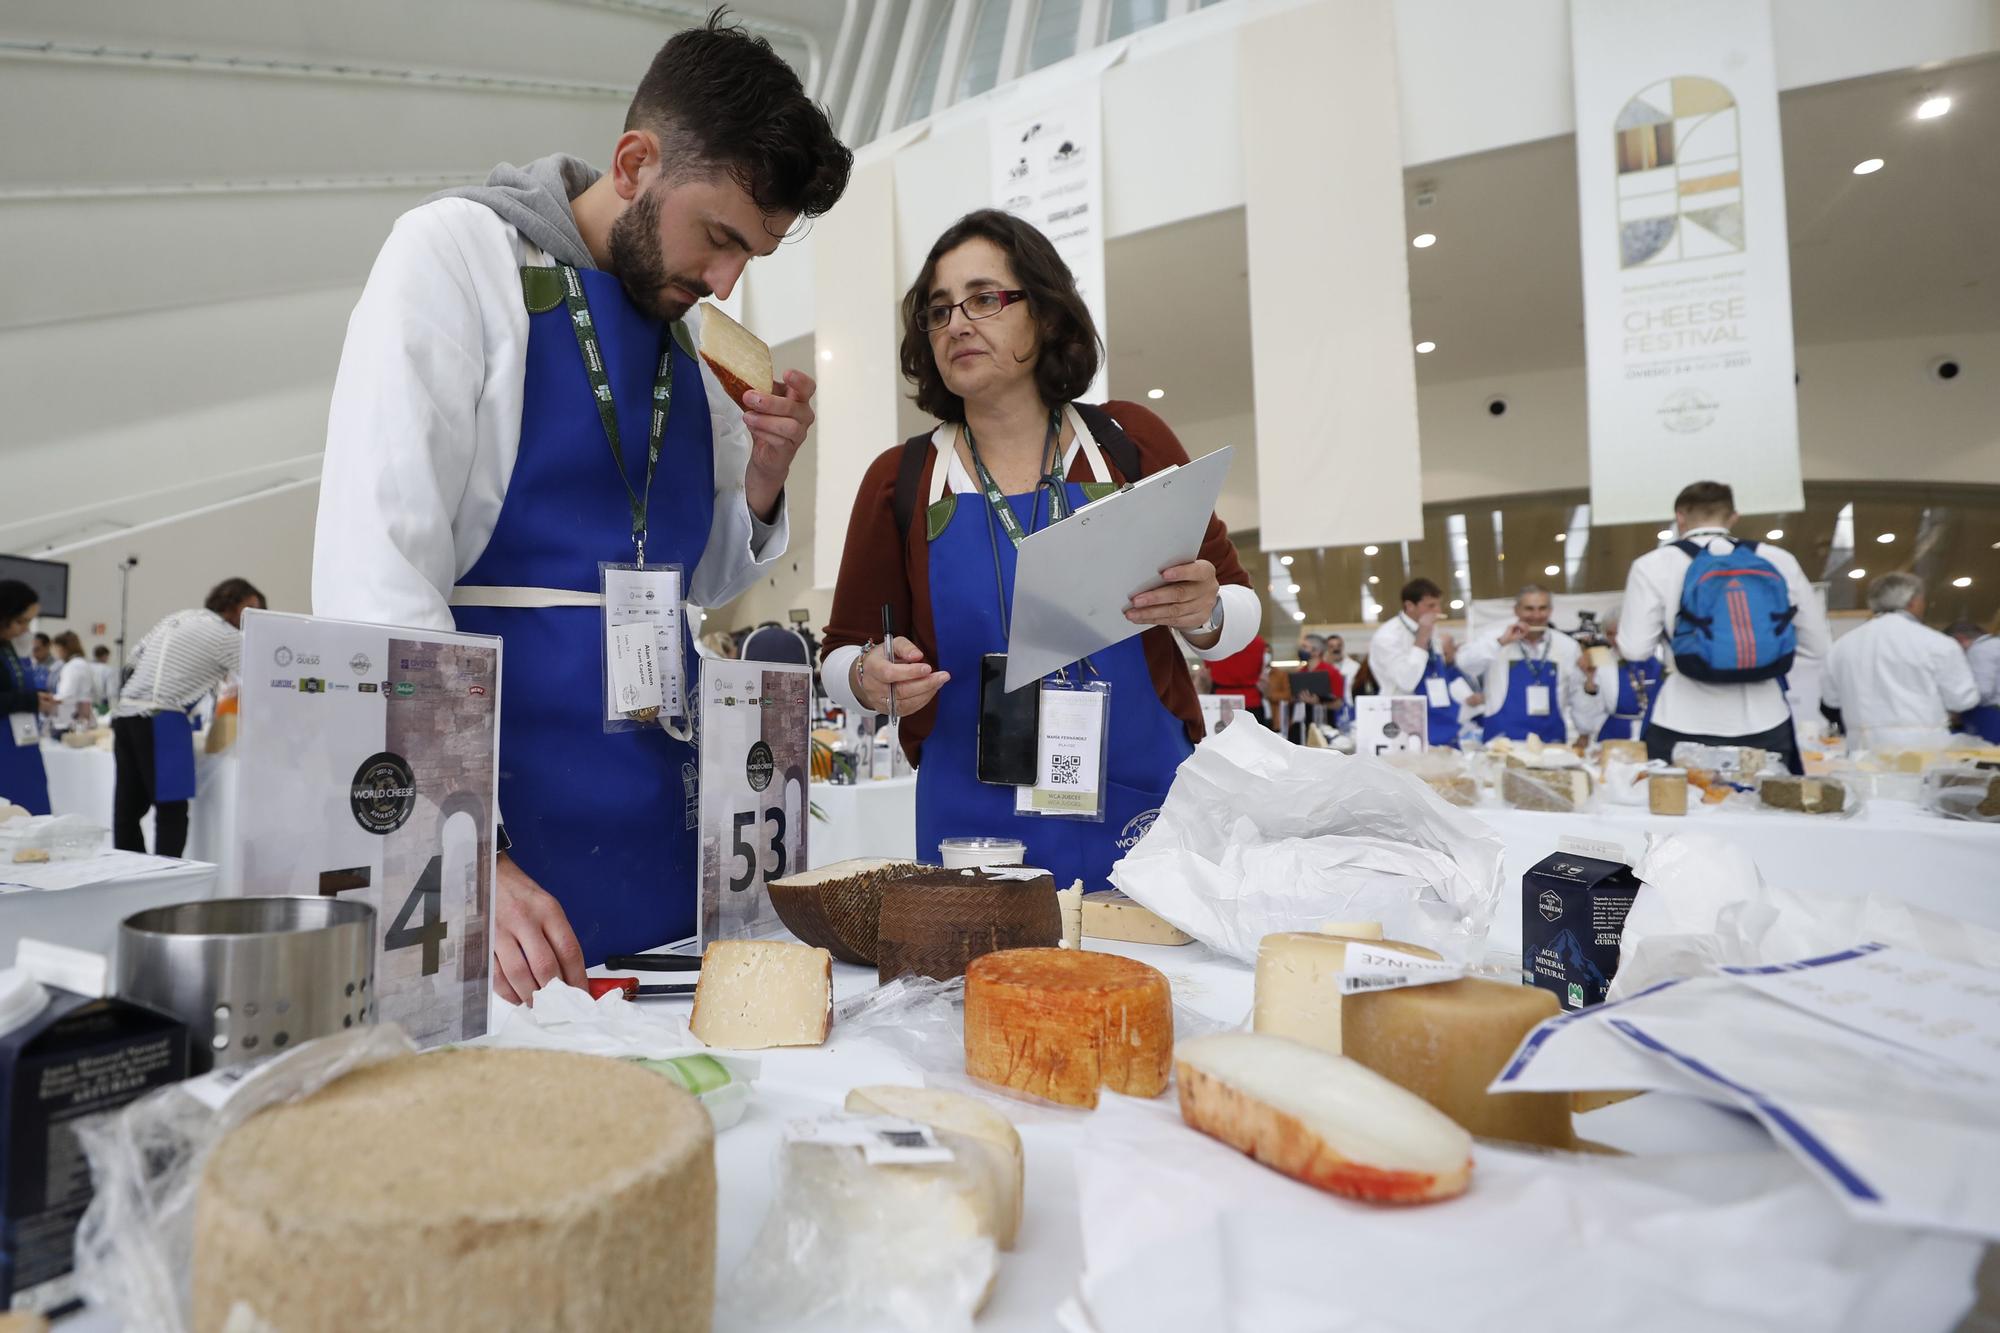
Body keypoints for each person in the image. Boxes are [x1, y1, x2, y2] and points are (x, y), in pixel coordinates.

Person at [312, 16, 851, 1002]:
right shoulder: (454, 256)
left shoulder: (686, 340)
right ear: (635, 161)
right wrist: (462, 849)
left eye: (751, 255)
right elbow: (375, 579)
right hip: (498, 844)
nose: (726, 280)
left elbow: (701, 575)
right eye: (720, 237)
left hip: (665, 833)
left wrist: (764, 481)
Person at [820, 209, 1258, 890]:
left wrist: (1204, 611)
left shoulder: (1126, 445)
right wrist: (865, 676)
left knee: (1151, 992)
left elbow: (1238, 611)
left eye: (985, 298)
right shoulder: (900, 480)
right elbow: (841, 652)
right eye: (939, 311)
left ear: (1047, 315)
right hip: (971, 819)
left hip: (1140, 798)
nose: (958, 322)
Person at [1617, 481, 1828, 773]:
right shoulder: (1777, 559)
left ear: (1680, 516)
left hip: (1682, 718)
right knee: (1768, 812)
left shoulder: (1652, 565)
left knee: (1678, 812)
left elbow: (1635, 650)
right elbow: (1817, 646)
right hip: (1765, 716)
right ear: (1733, 517)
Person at [113, 579, 264, 856]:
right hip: (162, 718)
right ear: (231, 602)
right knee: (172, 808)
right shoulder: (226, 636)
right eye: (251, 609)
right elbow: (263, 680)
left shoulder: (177, 617)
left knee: (128, 807)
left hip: (125, 713)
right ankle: (167, 877)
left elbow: (131, 663)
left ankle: (129, 870)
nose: (252, 619)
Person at [1821, 574, 1978, 753]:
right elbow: (1962, 699)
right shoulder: (1936, 643)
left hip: (1863, 749)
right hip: (1925, 749)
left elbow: (1831, 699)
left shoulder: (1842, 646)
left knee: (1867, 780)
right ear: (1913, 602)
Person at [1457, 584, 1584, 743]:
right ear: (1516, 610)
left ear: (1551, 611)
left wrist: (1583, 731)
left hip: (1550, 742)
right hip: (1502, 741)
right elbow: (1465, 664)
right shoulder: (1495, 638)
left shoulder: (1567, 646)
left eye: (1542, 608)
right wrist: (1500, 643)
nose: (1536, 615)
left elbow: (1577, 693)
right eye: (1529, 609)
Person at [1365, 578, 1478, 748]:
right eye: (1431, 606)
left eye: (1438, 605)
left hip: (1439, 717)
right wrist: (1422, 638)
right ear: (1410, 606)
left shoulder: (1431, 629)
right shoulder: (1388, 637)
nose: (1438, 611)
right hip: (1403, 721)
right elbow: (1406, 681)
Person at [0, 582, 58, 814]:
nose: (25, 629)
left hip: (21, 745)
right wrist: (30, 701)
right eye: (21, 621)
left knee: (31, 810)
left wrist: (35, 697)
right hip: (5, 750)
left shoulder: (9, 647)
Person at [1577, 619, 1663, 742]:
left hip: (1652, 730)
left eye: (1619, 633)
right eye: (1610, 634)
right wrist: (1590, 682)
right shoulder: (1600, 659)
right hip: (1615, 732)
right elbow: (1592, 709)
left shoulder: (1658, 659)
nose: (1615, 639)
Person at [1949, 619, 2000, 743]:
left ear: (1960, 639)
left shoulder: (1979, 650)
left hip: (1992, 716)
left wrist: (1956, 709)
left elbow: (1982, 691)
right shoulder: (1995, 644)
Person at [1208, 634, 1270, 726]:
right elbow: (1262, 672)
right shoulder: (1258, 642)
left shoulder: (1214, 640)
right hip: (1251, 700)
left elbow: (1206, 672)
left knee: (1223, 738)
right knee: (1252, 738)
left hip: (1221, 701)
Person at [47, 632, 95, 738]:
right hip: (80, 717)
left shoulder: (72, 666)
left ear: (63, 648)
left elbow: (66, 695)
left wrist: (47, 699)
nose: (55, 653)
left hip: (69, 720)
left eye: (56, 649)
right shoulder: (82, 663)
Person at [90, 645, 117, 710]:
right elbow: (111, 691)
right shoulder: (107, 669)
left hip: (88, 702)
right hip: (102, 704)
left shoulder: (87, 667)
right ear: (104, 656)